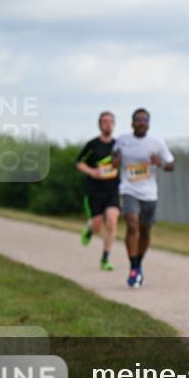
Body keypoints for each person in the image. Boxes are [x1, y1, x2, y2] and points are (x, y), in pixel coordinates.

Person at [112, 108, 175, 288]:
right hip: (128, 189)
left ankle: (138, 263)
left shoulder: (157, 143)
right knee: (132, 224)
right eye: (138, 119)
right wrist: (114, 161)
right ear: (132, 123)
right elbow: (114, 157)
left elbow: (171, 165)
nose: (141, 122)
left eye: (144, 120)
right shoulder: (122, 140)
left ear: (148, 123)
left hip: (149, 193)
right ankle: (133, 269)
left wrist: (160, 163)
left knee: (145, 231)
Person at [76, 111, 121, 270]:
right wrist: (92, 172)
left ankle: (105, 259)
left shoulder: (118, 146)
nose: (107, 124)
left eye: (110, 122)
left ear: (114, 125)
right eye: (104, 122)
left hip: (112, 190)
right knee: (97, 226)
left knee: (112, 221)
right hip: (95, 191)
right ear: (100, 124)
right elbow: (79, 162)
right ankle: (89, 230)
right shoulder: (92, 145)